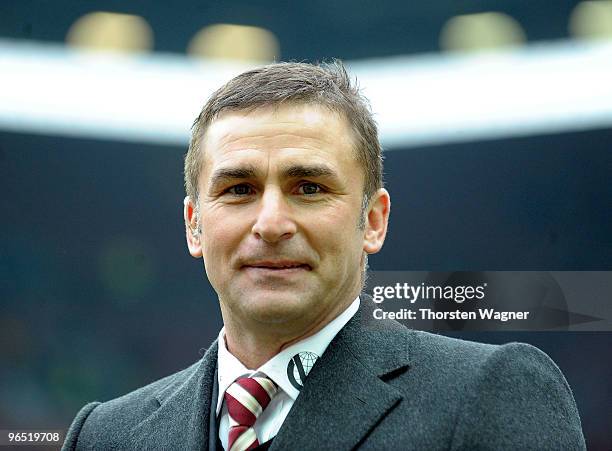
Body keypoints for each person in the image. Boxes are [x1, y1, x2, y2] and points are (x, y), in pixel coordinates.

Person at [62, 61, 586, 450]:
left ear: (373, 221)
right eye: (239, 189)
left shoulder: (488, 394)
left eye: (309, 188)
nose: (270, 223)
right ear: (194, 225)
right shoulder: (105, 436)